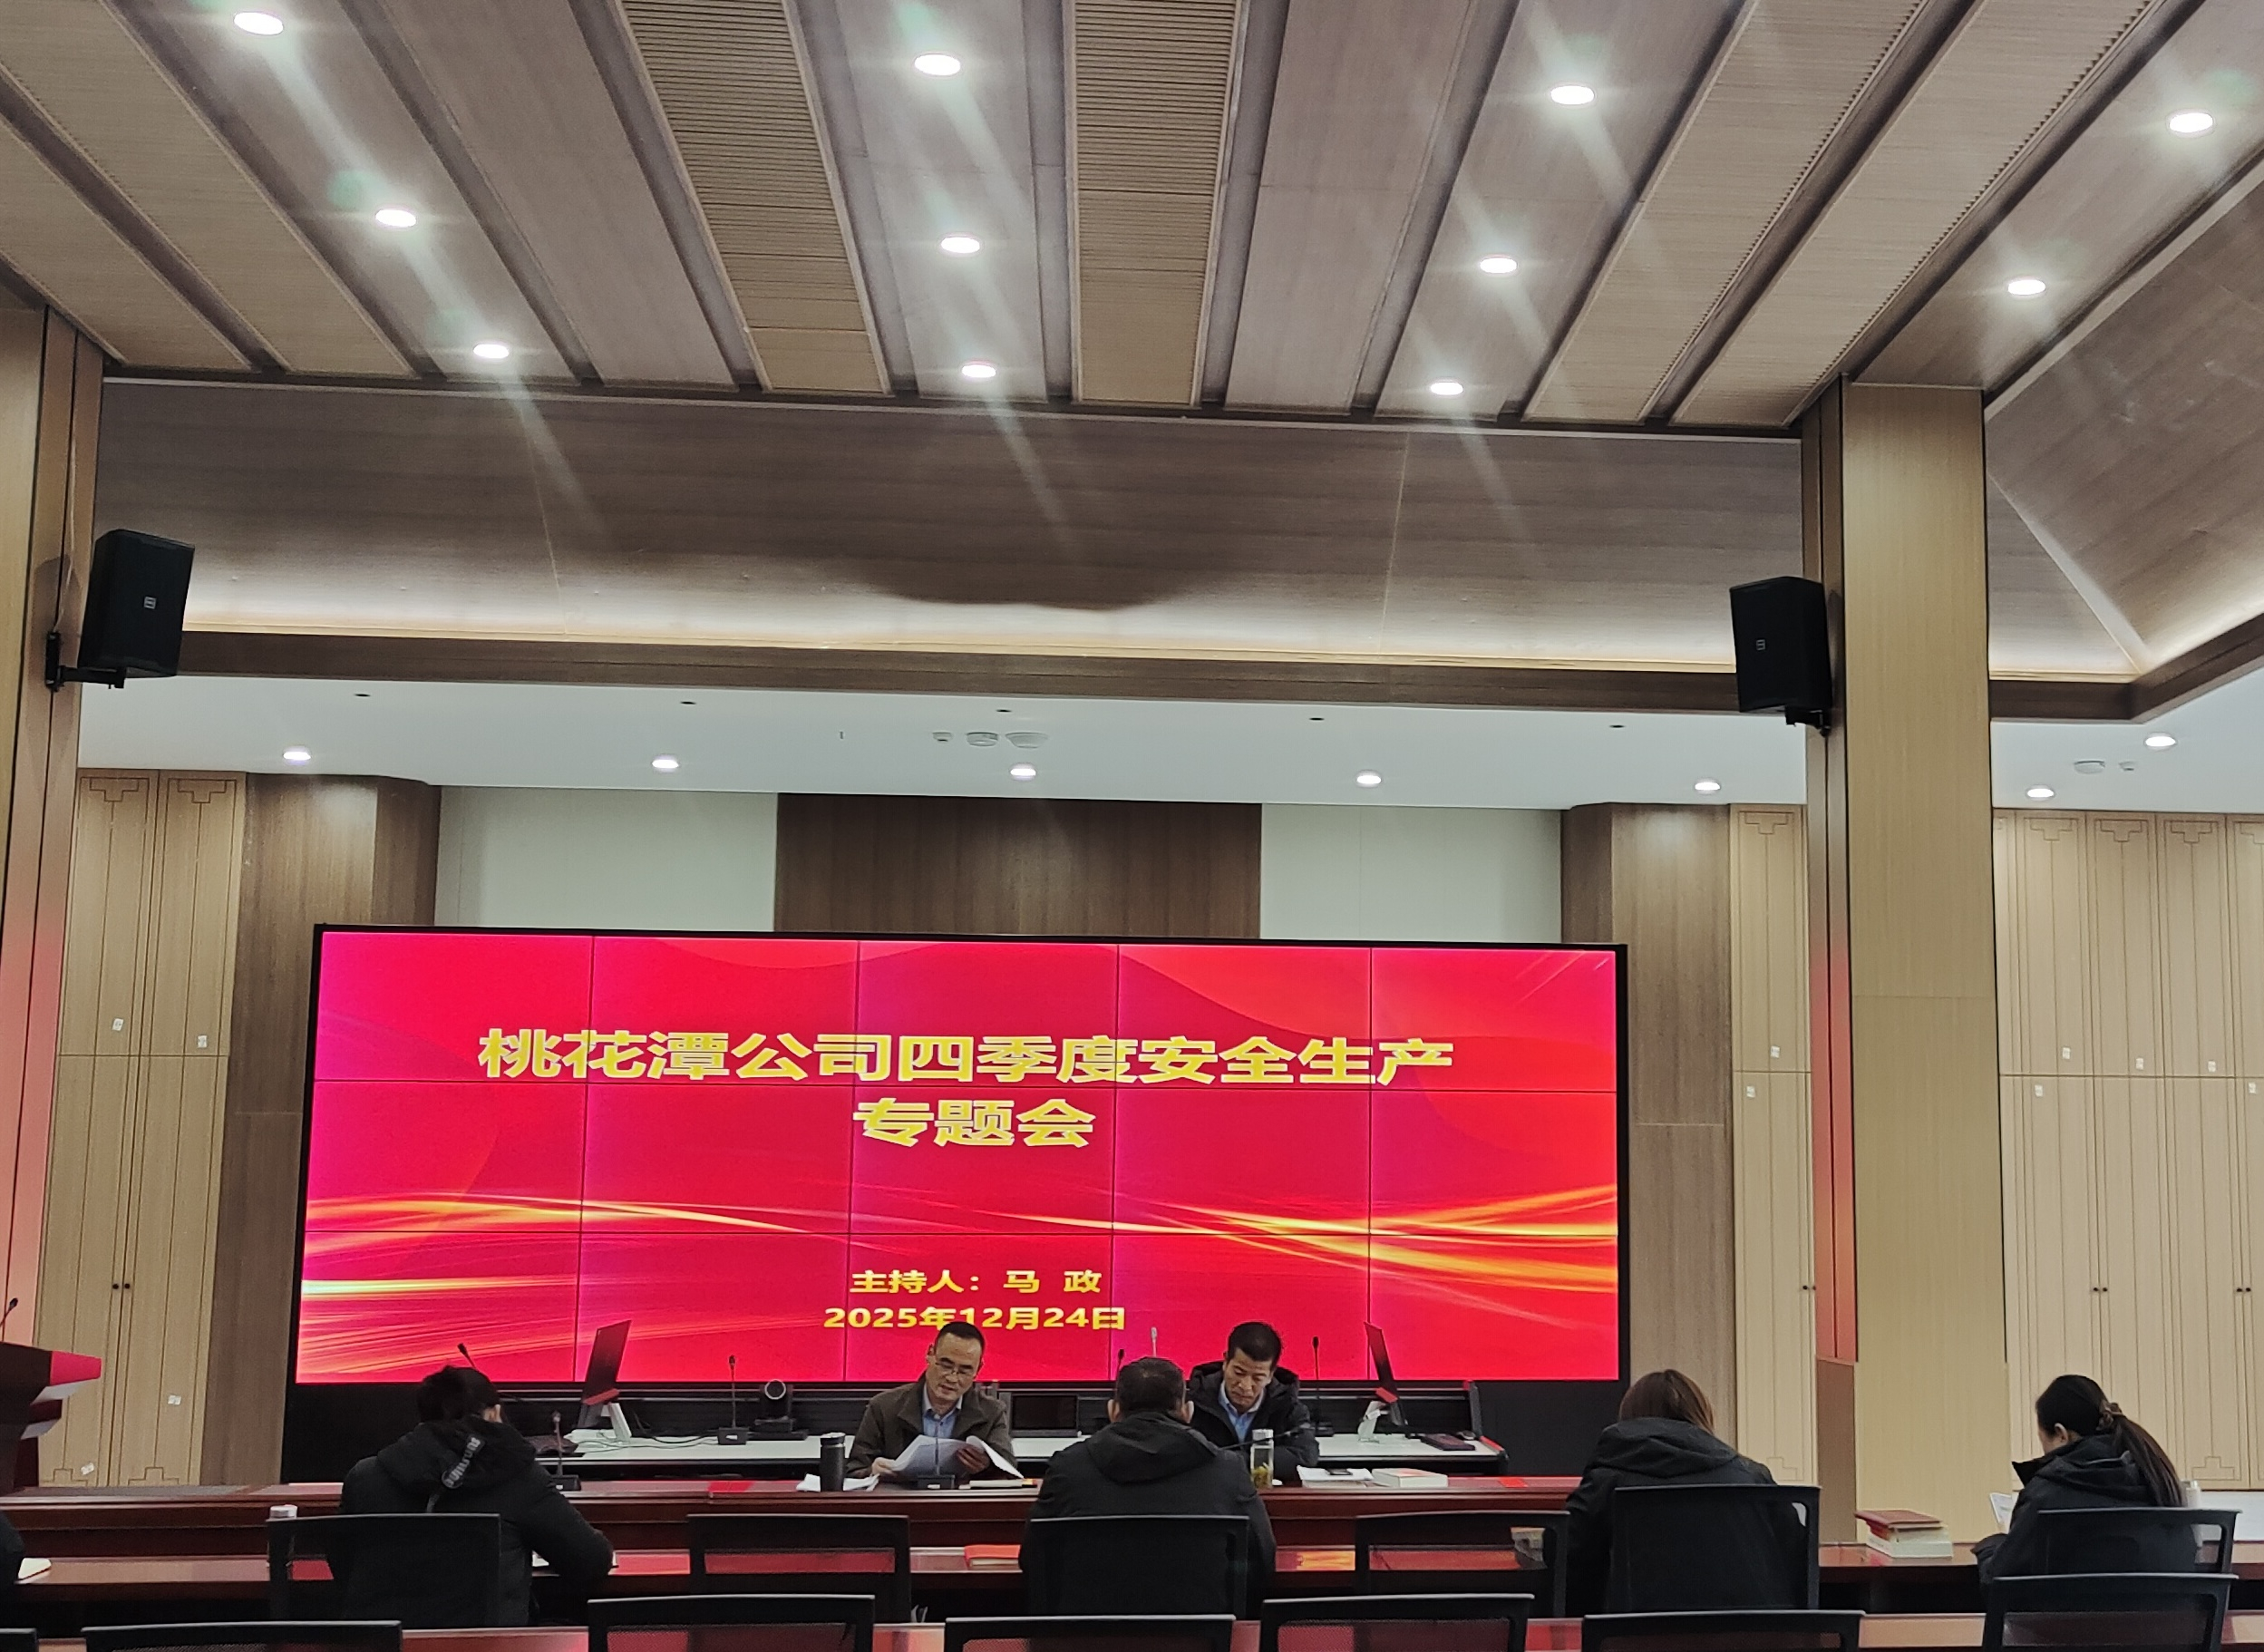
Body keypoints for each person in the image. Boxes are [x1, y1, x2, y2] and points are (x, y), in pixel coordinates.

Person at [338, 1364, 613, 1626]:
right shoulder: (519, 1477)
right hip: (489, 1642)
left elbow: (345, 1568)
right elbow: (590, 1562)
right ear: (493, 1415)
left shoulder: (365, 1477)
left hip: (383, 1641)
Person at [1023, 1356, 1275, 1595]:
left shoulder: (1068, 1469)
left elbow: (1033, 1561)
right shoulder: (1229, 1472)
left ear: (1113, 1411)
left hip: (1086, 1626)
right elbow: (1262, 1561)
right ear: (1187, 1412)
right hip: (1203, 1625)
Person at [1563, 1367, 1793, 1613]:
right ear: (1701, 1415)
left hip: (1637, 1632)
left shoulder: (1606, 1482)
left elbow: (1564, 1557)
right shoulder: (1752, 1478)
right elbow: (1796, 1555)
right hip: (1753, 1631)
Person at [1975, 1374, 2190, 1582]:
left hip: (2070, 1609)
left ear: (2061, 1434)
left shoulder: (2047, 1494)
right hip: (2162, 1608)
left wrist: (1992, 1546)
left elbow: (2001, 1583)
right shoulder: (2157, 1479)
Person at [848, 1320, 1017, 1480]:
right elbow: (852, 1472)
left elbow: (1010, 1475)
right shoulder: (884, 1407)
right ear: (930, 1354)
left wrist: (986, 1468)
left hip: (961, 1500)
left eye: (964, 1371)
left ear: (977, 1370)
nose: (952, 1378)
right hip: (901, 1499)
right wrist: (872, 1471)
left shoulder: (992, 1412)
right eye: (946, 1365)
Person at [1188, 1320, 1318, 1479]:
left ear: (1270, 1375)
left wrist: (1235, 1461)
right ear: (1226, 1362)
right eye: (1238, 1373)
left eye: (1257, 1378)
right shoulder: (1194, 1402)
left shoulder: (1287, 1406)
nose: (1245, 1386)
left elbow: (1306, 1456)